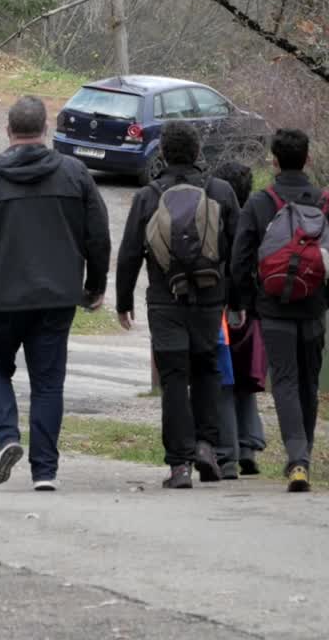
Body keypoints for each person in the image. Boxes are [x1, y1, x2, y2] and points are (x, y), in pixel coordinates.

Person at [0, 96, 111, 491]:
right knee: (49, 383)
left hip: (1, 296)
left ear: (8, 131)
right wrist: (95, 287)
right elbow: (98, 236)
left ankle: (6, 436)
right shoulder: (75, 174)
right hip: (56, 297)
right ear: (46, 130)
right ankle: (45, 472)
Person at [116, 122, 239, 488]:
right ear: (198, 151)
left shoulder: (148, 196)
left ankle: (179, 465)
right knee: (206, 370)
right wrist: (236, 300)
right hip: (209, 300)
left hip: (164, 300)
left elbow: (128, 254)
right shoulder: (221, 191)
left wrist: (123, 302)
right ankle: (206, 446)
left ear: (163, 153)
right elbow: (236, 253)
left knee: (173, 378)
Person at [231, 128, 326, 492]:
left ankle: (297, 460)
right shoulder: (322, 201)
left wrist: (245, 301)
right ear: (308, 159)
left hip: (273, 310)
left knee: (284, 381)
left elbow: (241, 258)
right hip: (314, 306)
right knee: (309, 383)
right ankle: (304, 455)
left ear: (273, 160)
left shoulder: (259, 202)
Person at [211, 161, 267, 478]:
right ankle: (248, 444)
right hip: (255, 313)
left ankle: (228, 450)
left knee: (224, 381)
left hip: (225, 309)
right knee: (246, 380)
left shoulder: (221, 218)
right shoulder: (258, 214)